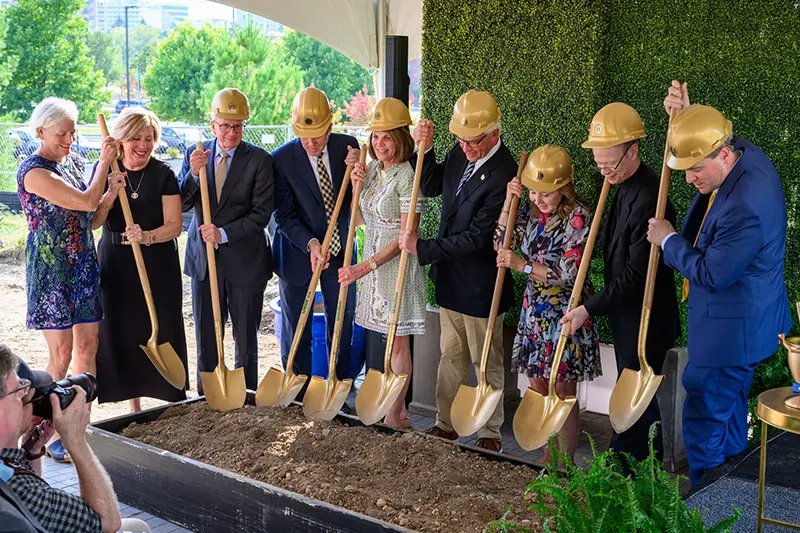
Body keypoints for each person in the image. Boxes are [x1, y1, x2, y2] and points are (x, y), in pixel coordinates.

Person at [647, 81, 791, 486]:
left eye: (695, 169)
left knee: (705, 418)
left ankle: (706, 506)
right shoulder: (743, 153)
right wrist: (689, 119)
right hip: (748, 320)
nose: (690, 178)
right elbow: (715, 136)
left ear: (724, 155)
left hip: (732, 331)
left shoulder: (746, 204)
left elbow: (712, 272)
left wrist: (668, 239)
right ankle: (732, 495)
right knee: (726, 412)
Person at [398, 90, 517, 452]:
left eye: (473, 141)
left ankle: (490, 432)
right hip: (451, 281)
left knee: (486, 361)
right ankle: (445, 423)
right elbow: (432, 183)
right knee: (450, 356)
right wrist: (428, 149)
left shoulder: (506, 173)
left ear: (494, 134)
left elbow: (478, 239)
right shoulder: (461, 149)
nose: (465, 147)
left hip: (481, 284)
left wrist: (424, 248)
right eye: (460, 140)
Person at [561, 102, 680, 462]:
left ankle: (627, 471)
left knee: (638, 400)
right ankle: (630, 468)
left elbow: (635, 276)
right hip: (628, 315)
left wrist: (587, 308)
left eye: (609, 164)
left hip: (647, 318)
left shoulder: (649, 198)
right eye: (598, 164)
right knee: (632, 395)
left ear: (634, 151)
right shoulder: (622, 184)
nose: (604, 171)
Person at [16, 97, 119, 461]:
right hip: (52, 271)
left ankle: (78, 430)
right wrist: (104, 167)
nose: (69, 141)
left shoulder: (73, 164)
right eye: (62, 134)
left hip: (82, 266)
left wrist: (109, 196)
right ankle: (35, 432)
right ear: (41, 131)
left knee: (88, 348)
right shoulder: (33, 171)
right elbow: (85, 202)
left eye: (73, 134)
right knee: (61, 354)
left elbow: (89, 218)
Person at [495, 144, 600, 460]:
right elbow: (500, 243)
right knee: (538, 388)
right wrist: (509, 200)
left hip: (566, 313)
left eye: (546, 193)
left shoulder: (578, 216)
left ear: (564, 188)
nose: (538, 199)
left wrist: (522, 266)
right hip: (535, 312)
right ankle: (546, 462)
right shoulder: (529, 211)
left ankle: (561, 467)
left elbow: (569, 274)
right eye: (533, 192)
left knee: (562, 392)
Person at [337, 98, 427, 428]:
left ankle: (397, 411)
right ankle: (390, 405)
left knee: (398, 340)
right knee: (382, 338)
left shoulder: (408, 176)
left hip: (395, 266)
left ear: (401, 138)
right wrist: (353, 183)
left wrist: (365, 267)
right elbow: (358, 218)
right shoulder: (373, 170)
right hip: (371, 259)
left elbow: (407, 235)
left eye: (386, 137)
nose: (379, 144)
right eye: (375, 137)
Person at [179, 88, 275, 393]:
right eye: (225, 126)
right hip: (203, 261)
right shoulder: (196, 155)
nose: (231, 132)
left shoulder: (259, 160)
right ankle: (206, 395)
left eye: (237, 126)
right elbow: (181, 203)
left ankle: (244, 393)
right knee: (207, 333)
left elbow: (261, 214)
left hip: (245, 259)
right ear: (213, 125)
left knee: (246, 334)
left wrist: (222, 233)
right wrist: (194, 175)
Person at [93, 107, 188, 412]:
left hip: (157, 263)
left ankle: (168, 398)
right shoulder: (106, 170)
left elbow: (175, 226)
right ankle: (132, 404)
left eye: (149, 138)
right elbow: (94, 221)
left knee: (160, 323)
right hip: (115, 262)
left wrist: (146, 236)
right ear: (120, 140)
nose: (143, 145)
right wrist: (109, 194)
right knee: (123, 326)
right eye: (135, 138)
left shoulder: (164, 174)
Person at [272, 87, 360, 397]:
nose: (311, 143)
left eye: (318, 136)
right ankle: (299, 390)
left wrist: (359, 175)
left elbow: (355, 199)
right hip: (298, 252)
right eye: (304, 136)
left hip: (340, 251)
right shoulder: (281, 159)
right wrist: (310, 244)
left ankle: (339, 390)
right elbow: (283, 215)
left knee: (342, 322)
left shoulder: (348, 148)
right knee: (298, 325)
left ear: (330, 127)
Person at [0, 344, 121, 533]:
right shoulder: (19, 489)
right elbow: (106, 522)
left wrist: (31, 452)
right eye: (21, 391)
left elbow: (36, 515)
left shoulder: (9, 471)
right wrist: (76, 442)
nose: (30, 403)